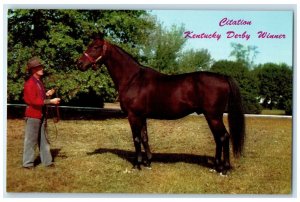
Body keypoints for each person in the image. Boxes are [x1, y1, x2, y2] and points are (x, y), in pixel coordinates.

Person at [22, 57, 61, 169]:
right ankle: (27, 164)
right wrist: (51, 101)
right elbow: (32, 101)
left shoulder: (39, 82)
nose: (42, 69)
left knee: (44, 140)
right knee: (31, 140)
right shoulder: (30, 83)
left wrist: (48, 94)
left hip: (41, 114)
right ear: (33, 70)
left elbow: (39, 97)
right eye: (39, 67)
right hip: (33, 115)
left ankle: (47, 162)